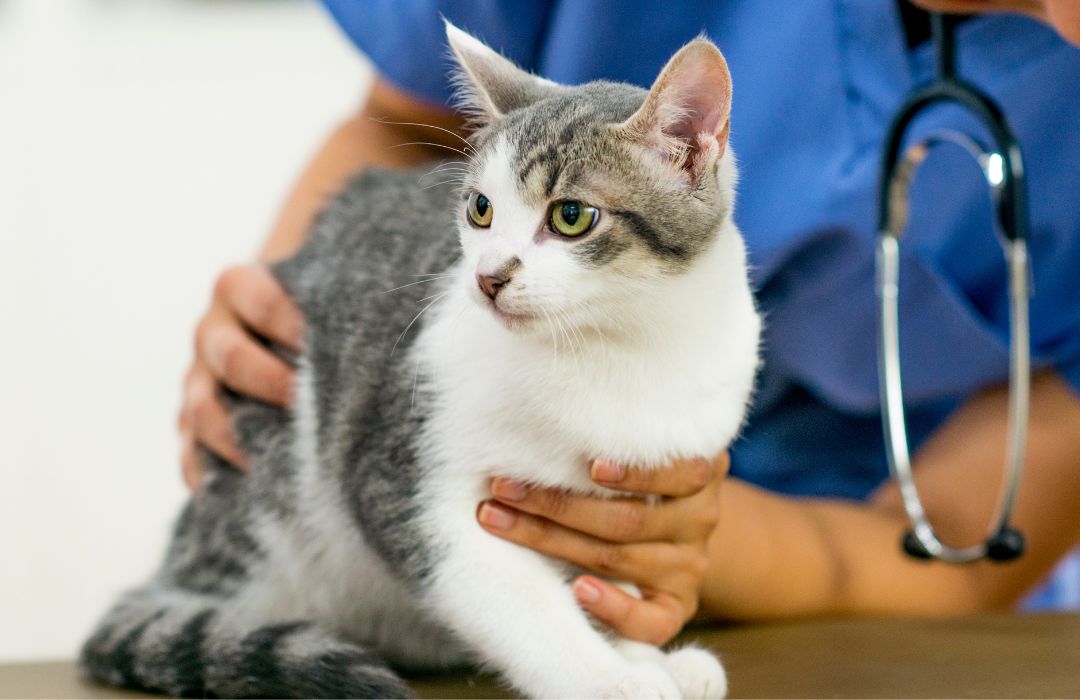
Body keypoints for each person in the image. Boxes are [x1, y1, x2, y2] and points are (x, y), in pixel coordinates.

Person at [178, 0, 1080, 646]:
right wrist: (287, 340)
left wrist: (674, 534)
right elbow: (399, 125)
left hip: (845, 605)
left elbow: (966, 538)